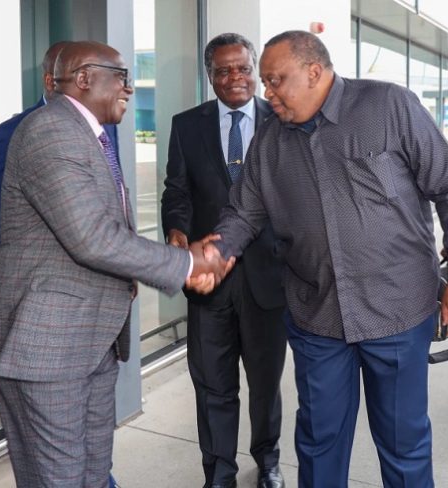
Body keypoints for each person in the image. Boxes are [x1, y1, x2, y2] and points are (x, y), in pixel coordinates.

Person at [203, 30, 448, 488]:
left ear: (314, 72)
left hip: (396, 311)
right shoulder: (270, 136)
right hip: (317, 316)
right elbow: (244, 211)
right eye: (265, 83)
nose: (266, 93)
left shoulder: (389, 106)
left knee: (403, 443)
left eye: (275, 80)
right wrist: (216, 251)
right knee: (318, 441)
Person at [0, 40, 231, 488]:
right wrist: (186, 263)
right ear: (85, 78)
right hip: (47, 347)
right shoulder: (50, 131)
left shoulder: (86, 134)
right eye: (122, 76)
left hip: (90, 341)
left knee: (92, 473)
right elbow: (92, 237)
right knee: (58, 479)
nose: (129, 88)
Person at [161, 33, 286, 488]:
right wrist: (176, 231)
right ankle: (219, 472)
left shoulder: (282, 119)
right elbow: (176, 191)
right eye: (223, 70)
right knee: (213, 383)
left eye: (243, 68)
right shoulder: (186, 125)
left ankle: (267, 459)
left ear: (255, 71)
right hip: (208, 280)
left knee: (265, 383)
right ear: (209, 75)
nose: (235, 77)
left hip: (268, 278)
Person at [0, 41, 121, 278]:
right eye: (78, 78)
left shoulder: (105, 126)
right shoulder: (10, 134)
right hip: (41, 281)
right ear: (50, 82)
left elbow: (114, 197)